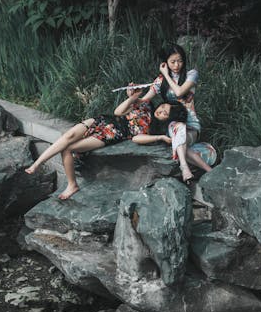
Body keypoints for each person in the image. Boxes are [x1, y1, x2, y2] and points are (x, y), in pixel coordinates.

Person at [24, 86, 188, 200]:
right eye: (163, 107)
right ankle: (38, 163)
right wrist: (132, 97)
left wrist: (159, 138)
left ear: (168, 120)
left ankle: (72, 185)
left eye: (165, 113)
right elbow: (118, 112)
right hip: (104, 120)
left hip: (112, 133)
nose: (161, 110)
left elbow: (136, 139)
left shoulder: (153, 129)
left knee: (68, 148)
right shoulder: (146, 105)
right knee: (69, 135)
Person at [140, 43, 211, 184]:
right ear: (165, 62)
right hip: (170, 124)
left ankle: (185, 167)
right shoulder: (160, 81)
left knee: (179, 140)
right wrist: (133, 96)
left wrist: (166, 74)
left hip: (190, 123)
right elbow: (144, 100)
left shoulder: (191, 75)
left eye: (180, 61)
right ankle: (209, 172)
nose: (177, 65)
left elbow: (179, 92)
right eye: (172, 61)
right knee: (180, 141)